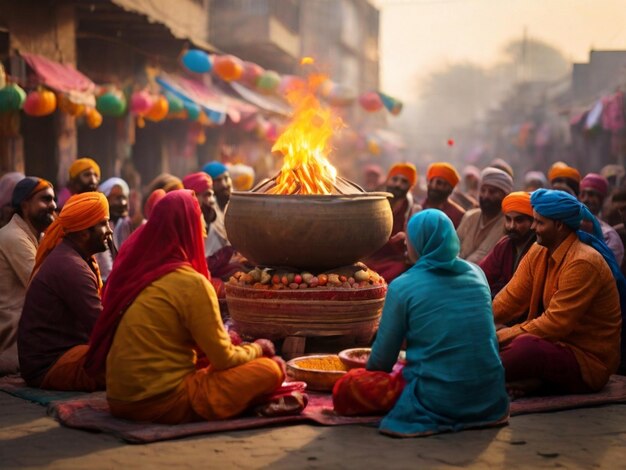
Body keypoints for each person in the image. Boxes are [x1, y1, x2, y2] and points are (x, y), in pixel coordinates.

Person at [84, 190, 286, 424]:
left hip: (118, 400)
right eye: (198, 222)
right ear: (189, 229)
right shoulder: (191, 283)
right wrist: (258, 349)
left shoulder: (145, 275)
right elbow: (224, 360)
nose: (202, 230)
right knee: (272, 369)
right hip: (163, 401)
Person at [333, 210, 509, 437]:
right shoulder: (477, 274)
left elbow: (381, 362)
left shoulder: (402, 286)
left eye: (410, 238)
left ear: (417, 242)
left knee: (347, 387)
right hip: (490, 400)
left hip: (437, 400)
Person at [494, 189, 623, 397]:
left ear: (560, 225)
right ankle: (532, 382)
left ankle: (481, 375)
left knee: (525, 347)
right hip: (555, 345)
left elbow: (554, 324)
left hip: (587, 361)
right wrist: (480, 326)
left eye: (539, 222)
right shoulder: (539, 250)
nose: (533, 227)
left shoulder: (582, 262)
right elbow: (510, 297)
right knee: (498, 338)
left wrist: (500, 337)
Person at [18, 192, 111, 390]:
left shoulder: (76, 258)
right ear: (85, 232)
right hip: (49, 366)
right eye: (104, 223)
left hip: (60, 357)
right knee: (136, 363)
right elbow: (100, 328)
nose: (109, 231)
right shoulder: (71, 266)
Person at [0, 177, 55, 374]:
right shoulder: (14, 236)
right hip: (13, 339)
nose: (53, 205)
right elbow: (46, 288)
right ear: (25, 205)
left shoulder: (34, 235)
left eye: (53, 199)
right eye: (46, 200)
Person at [363, 162, 421, 283]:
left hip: (394, 262)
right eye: (395, 179)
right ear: (387, 180)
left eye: (404, 182)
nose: (398, 184)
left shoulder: (414, 210)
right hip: (369, 259)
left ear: (411, 186)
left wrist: (407, 238)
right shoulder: (375, 202)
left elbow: (418, 245)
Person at [479, 191, 536, 299]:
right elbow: (482, 275)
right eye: (508, 219)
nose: (511, 226)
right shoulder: (504, 245)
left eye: (519, 220)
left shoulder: (539, 248)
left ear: (532, 222)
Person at [457, 167, 513, 263]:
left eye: (492, 192)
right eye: (483, 190)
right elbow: (453, 247)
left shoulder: (508, 224)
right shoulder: (470, 216)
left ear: (505, 195)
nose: (486, 196)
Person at [579, 173, 624, 265]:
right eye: (583, 194)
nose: (585, 199)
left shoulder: (609, 236)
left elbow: (608, 271)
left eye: (591, 194)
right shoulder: (570, 227)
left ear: (602, 199)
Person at [95, 177, 132, 282]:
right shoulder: (97, 227)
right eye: (117, 198)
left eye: (124, 197)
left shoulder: (125, 224)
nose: (123, 203)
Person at [202, 161, 233, 257]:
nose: (224, 184)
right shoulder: (206, 212)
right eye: (218, 180)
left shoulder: (232, 206)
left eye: (226, 178)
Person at [421, 162, 465, 228]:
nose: (434, 186)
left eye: (439, 183)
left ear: (450, 189)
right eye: (431, 181)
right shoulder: (417, 208)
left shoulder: (458, 215)